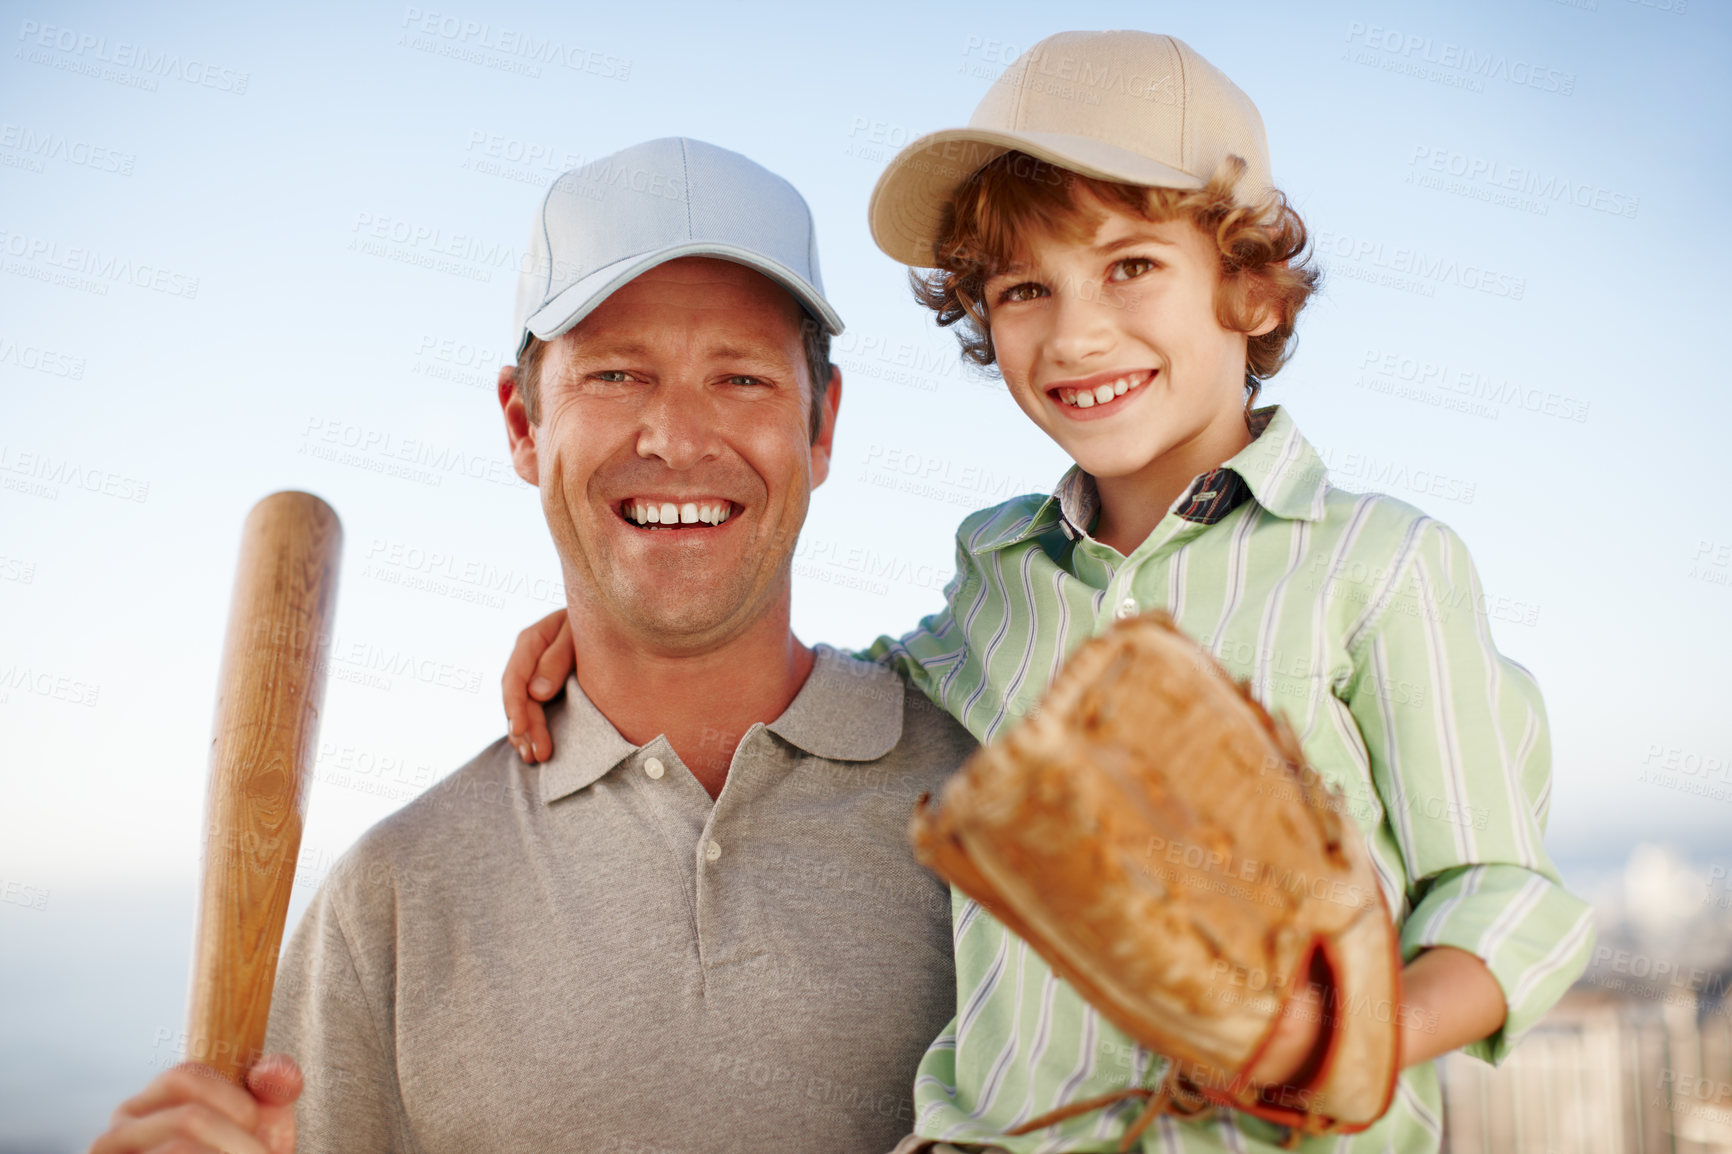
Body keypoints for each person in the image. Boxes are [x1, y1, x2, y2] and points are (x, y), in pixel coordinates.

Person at [501, 32, 1595, 1152]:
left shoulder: (1378, 564)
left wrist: (1335, 1036)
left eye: (1130, 265)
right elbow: (823, 694)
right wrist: (623, 639)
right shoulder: (996, 576)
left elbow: (1505, 898)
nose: (1075, 332)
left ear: (1251, 288)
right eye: (1025, 288)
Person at [87, 137, 977, 1154]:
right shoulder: (390, 900)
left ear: (822, 428)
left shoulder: (1001, 805)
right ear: (522, 422)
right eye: (614, 373)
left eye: (739, 378)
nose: (677, 437)